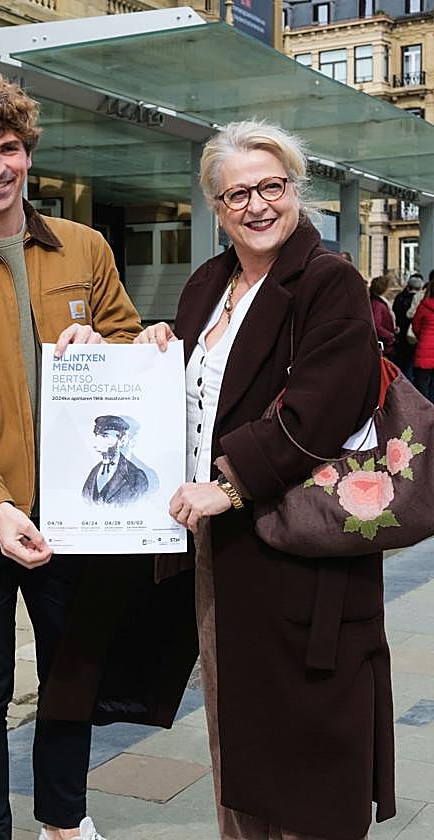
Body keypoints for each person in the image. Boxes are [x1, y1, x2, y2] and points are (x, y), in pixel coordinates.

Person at [0, 73, 159, 840]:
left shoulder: (83, 247)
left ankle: (65, 826)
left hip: (75, 510)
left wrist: (126, 341)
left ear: (28, 154)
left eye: (9, 147)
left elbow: (126, 355)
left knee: (71, 680)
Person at [136, 119, 395, 839]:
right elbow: (203, 388)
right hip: (223, 554)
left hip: (295, 547)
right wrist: (159, 345)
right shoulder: (206, 286)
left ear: (297, 189)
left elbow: (324, 401)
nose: (257, 205)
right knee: (238, 731)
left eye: (271, 187)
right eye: (237, 193)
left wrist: (232, 482)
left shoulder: (328, 280)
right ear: (216, 208)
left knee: (306, 744)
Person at [80, 415, 150, 506]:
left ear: (122, 440)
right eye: (97, 435)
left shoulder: (137, 477)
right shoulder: (93, 472)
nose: (98, 442)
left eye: (105, 436)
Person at [391, 272, 424, 379]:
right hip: (413, 336)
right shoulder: (420, 300)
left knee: (402, 364)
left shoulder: (399, 298)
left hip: (400, 335)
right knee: (411, 365)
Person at [410, 275, 434, 401]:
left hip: (424, 350)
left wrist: (422, 337)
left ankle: (426, 414)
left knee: (422, 385)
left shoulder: (423, 307)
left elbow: (415, 326)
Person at [368, 274, 397, 359]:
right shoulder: (378, 304)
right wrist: (390, 335)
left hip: (384, 343)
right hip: (384, 344)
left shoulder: (377, 302)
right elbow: (376, 325)